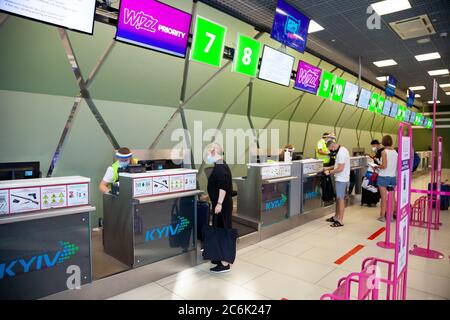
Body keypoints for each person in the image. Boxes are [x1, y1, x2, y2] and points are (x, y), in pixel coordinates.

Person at [205, 143, 234, 273]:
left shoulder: (220, 167)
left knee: (224, 231)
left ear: (213, 152)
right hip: (221, 204)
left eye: (207, 153)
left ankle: (225, 263)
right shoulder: (220, 165)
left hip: (222, 205)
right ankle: (219, 256)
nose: (206, 156)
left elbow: (223, 186)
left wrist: (219, 203)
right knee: (219, 229)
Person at [324, 140, 350, 227]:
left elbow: (340, 168)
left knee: (340, 199)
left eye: (330, 149)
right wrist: (327, 168)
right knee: (338, 199)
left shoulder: (342, 152)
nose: (331, 151)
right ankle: (336, 217)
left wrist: (330, 172)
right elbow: (337, 165)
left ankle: (340, 220)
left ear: (333, 147)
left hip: (342, 179)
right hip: (339, 178)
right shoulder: (340, 151)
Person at [377, 135, 398, 222]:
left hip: (383, 177)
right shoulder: (395, 152)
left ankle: (382, 216)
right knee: (392, 198)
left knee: (384, 198)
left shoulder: (384, 152)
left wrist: (377, 166)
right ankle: (391, 217)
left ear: (383, 142)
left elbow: (384, 166)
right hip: (393, 177)